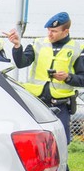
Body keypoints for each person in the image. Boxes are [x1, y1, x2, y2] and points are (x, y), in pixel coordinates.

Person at [5, 12, 84, 144]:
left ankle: (62, 165)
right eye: (48, 30)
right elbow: (21, 63)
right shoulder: (38, 43)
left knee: (60, 142)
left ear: (66, 31)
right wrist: (17, 46)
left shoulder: (77, 49)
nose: (49, 34)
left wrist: (68, 77)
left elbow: (82, 78)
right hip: (37, 102)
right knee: (34, 142)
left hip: (61, 105)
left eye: (54, 31)